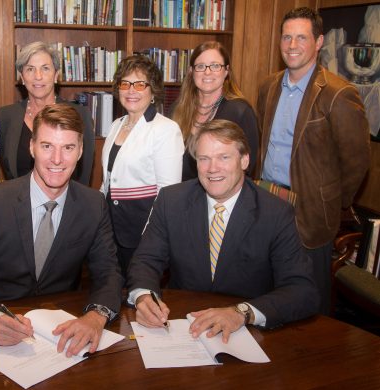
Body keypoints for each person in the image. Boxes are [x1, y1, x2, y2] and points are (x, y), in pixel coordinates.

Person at [0, 103, 123, 357]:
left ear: (81, 151)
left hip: (60, 335)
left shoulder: (93, 205)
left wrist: (96, 316)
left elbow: (109, 273)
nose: (57, 159)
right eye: (47, 146)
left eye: (68, 148)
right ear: (32, 147)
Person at [127, 119, 319, 342]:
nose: (212, 168)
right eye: (204, 159)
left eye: (224, 157)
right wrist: (143, 296)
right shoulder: (171, 201)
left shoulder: (275, 213)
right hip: (183, 326)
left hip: (247, 334)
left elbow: (302, 290)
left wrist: (242, 313)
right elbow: (145, 260)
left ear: (244, 160)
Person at [255, 7, 370, 314]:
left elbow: (356, 163)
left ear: (318, 42)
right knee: (265, 287)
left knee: (308, 298)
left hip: (309, 211)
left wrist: (330, 201)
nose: (292, 45)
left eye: (301, 37)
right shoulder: (269, 86)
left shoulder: (338, 93)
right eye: (287, 37)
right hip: (266, 197)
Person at [100, 55, 184, 278]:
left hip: (141, 231)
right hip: (111, 231)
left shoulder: (166, 129)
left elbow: (168, 193)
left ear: (153, 90)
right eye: (125, 84)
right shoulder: (115, 125)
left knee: (139, 295)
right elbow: (108, 180)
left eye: (139, 84)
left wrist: (151, 238)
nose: (131, 91)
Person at [0, 41, 94, 185]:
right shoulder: (7, 116)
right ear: (22, 78)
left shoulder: (79, 115)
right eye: (30, 69)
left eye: (45, 68)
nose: (38, 76)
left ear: (56, 75)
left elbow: (84, 174)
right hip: (18, 203)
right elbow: (8, 173)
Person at [172, 41, 259, 180]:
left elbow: (247, 167)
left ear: (226, 71)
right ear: (191, 72)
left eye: (215, 66)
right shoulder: (177, 110)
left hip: (221, 197)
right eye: (200, 66)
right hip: (181, 195)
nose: (207, 72)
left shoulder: (241, 112)